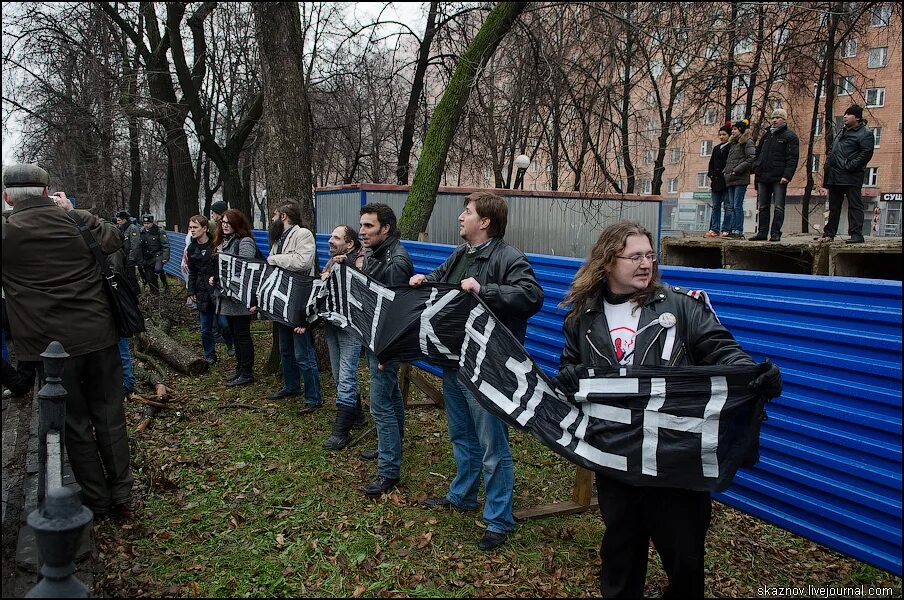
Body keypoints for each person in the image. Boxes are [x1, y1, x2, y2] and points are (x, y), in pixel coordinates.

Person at [553, 220, 783, 598]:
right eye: (635, 257)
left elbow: (722, 349)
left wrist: (751, 375)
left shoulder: (681, 306)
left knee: (684, 557)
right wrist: (572, 376)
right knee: (621, 551)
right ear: (608, 262)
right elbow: (568, 371)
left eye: (650, 255)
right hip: (617, 456)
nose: (646, 264)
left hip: (675, 458)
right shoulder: (583, 317)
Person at [411, 192, 543, 551]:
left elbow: (531, 296)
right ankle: (462, 495)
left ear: (485, 222)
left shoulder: (509, 257)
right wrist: (424, 279)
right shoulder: (460, 255)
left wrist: (486, 289)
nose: (460, 217)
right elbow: (440, 279)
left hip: (486, 367)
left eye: (466, 212)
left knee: (491, 444)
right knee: (461, 435)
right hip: (453, 361)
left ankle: (498, 518)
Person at [2, 163, 134, 519]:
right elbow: (114, 237)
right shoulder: (74, 222)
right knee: (109, 414)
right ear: (48, 192)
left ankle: (97, 499)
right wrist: (75, 210)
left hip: (48, 347)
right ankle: (122, 491)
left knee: (73, 421)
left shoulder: (6, 233)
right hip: (97, 334)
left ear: (6, 197)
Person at [336, 203, 412, 497]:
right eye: (362, 225)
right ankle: (388, 447)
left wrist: (385, 351)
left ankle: (389, 471)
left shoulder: (397, 262)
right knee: (391, 397)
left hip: (384, 345)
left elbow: (395, 312)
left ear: (386, 228)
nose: (362, 231)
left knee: (380, 405)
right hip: (373, 339)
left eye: (368, 226)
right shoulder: (373, 254)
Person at [265, 201, 322, 412]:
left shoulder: (303, 235)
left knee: (303, 353)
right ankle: (291, 385)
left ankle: (314, 397)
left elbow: (302, 262)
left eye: (274, 214)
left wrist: (274, 259)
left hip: (299, 300)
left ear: (283, 216)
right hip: (282, 300)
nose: (271, 219)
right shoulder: (278, 239)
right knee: (285, 348)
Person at [320, 224, 367, 450]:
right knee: (339, 375)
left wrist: (346, 265)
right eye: (331, 236)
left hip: (351, 327)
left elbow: (363, 283)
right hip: (332, 324)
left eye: (336, 237)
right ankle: (356, 416)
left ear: (349, 244)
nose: (330, 240)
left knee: (346, 375)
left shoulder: (359, 258)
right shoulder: (332, 260)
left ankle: (341, 432)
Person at [211, 209, 258, 387]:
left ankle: (247, 372)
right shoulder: (224, 242)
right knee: (235, 335)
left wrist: (224, 276)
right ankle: (240, 369)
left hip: (240, 297)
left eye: (228, 223)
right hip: (227, 296)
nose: (225, 226)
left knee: (242, 335)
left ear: (237, 224)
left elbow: (246, 266)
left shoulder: (245, 241)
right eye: (223, 222)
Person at [822, 104, 875, 244]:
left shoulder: (865, 133)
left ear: (857, 117)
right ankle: (829, 233)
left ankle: (856, 235)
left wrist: (850, 166)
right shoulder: (842, 131)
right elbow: (834, 150)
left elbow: (866, 154)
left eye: (848, 114)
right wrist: (828, 165)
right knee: (833, 206)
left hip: (851, 176)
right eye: (844, 114)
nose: (845, 117)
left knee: (854, 205)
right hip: (835, 175)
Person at [186, 215, 233, 364]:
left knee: (224, 323)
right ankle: (210, 354)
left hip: (217, 289)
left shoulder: (216, 245)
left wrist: (218, 280)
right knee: (205, 327)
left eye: (195, 227)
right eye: (190, 228)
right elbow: (192, 272)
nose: (192, 231)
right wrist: (191, 291)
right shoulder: (191, 248)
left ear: (204, 228)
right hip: (201, 290)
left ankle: (230, 343)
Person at [751, 108, 799, 241]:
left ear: (784, 119)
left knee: (778, 206)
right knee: (762, 206)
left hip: (779, 177)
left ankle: (775, 233)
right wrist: (756, 166)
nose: (774, 120)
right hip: (763, 176)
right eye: (773, 117)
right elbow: (758, 152)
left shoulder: (790, 136)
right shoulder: (766, 135)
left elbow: (793, 158)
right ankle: (762, 233)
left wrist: (787, 175)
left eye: (778, 117)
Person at [721, 119, 756, 239]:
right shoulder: (734, 143)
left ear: (740, 130)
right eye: (732, 129)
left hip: (740, 178)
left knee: (737, 205)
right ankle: (732, 228)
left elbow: (751, 158)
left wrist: (737, 169)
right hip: (730, 178)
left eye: (735, 129)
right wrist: (726, 170)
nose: (733, 131)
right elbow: (731, 160)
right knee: (731, 206)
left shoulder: (747, 142)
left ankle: (738, 230)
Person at [705, 123, 733, 237]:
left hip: (726, 182)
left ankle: (726, 229)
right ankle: (714, 229)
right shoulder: (716, 148)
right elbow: (711, 163)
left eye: (724, 134)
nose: (721, 137)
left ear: (729, 135)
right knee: (716, 206)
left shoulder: (731, 147)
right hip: (716, 182)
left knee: (728, 206)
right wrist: (711, 175)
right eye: (720, 134)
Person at [139, 213, 170, 293]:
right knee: (150, 277)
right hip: (148, 257)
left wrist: (165, 257)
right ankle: (155, 293)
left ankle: (165, 284)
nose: (146, 225)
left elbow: (165, 245)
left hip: (158, 255)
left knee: (157, 269)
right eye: (145, 223)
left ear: (152, 223)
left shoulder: (159, 232)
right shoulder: (141, 232)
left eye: (148, 223)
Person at [115, 210, 142, 294]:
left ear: (124, 220)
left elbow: (135, 245)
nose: (117, 222)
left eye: (119, 220)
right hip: (124, 256)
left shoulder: (132, 228)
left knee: (131, 276)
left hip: (130, 257)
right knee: (126, 276)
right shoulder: (121, 228)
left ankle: (137, 292)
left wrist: (131, 258)